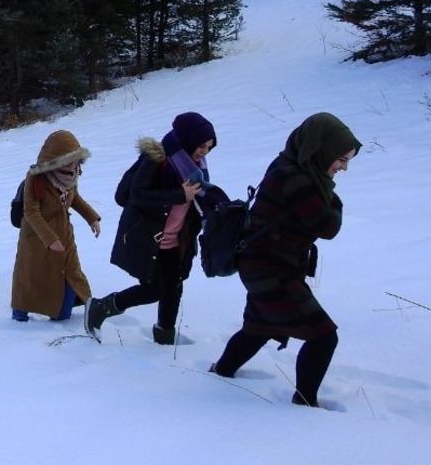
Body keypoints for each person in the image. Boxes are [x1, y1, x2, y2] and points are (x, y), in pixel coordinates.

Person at [210, 113, 360, 408]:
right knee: (323, 336)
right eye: (341, 159)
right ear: (322, 150)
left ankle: (221, 372)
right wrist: (333, 198)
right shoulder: (296, 178)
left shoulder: (291, 166)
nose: (343, 168)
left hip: (265, 265)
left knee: (260, 327)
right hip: (271, 270)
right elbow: (327, 226)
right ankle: (304, 404)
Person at [86, 112, 219, 344]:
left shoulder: (196, 167)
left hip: (178, 240)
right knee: (154, 290)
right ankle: (101, 307)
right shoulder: (158, 158)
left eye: (209, 147)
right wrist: (180, 194)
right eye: (201, 145)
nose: (205, 151)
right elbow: (137, 195)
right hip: (150, 239)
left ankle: (165, 336)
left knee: (174, 287)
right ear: (188, 139)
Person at [11, 130, 101, 322]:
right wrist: (50, 240)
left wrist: (92, 218)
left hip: (64, 233)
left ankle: (79, 308)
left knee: (71, 272)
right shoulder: (36, 178)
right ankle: (20, 314)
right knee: (30, 276)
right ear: (54, 160)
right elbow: (31, 212)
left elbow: (74, 198)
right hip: (36, 237)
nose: (72, 166)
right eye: (67, 161)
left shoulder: (71, 175)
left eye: (75, 160)